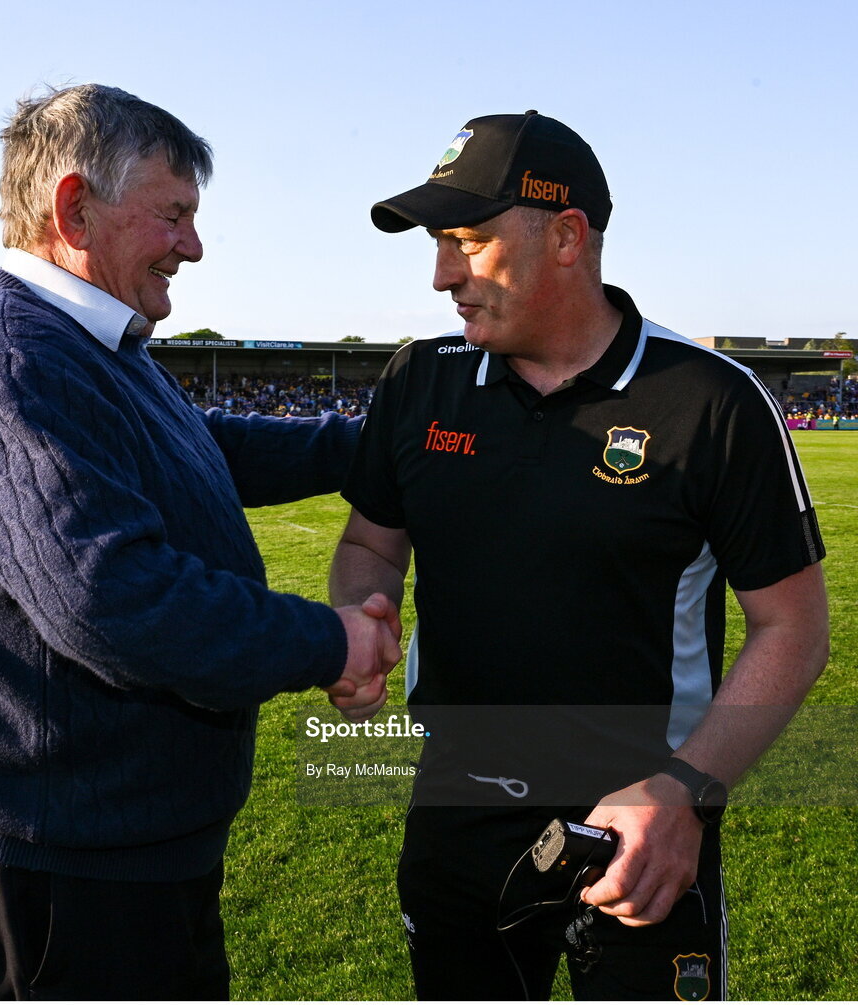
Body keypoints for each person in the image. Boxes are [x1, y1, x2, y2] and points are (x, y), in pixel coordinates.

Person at [0, 83, 400, 1001]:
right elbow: (112, 598)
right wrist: (331, 639)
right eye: (173, 215)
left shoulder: (95, 343)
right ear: (75, 207)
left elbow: (205, 446)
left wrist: (375, 442)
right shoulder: (15, 358)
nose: (194, 246)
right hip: (49, 873)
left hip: (110, 852)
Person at [329, 111, 828, 1000]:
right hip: (455, 807)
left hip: (641, 819)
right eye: (438, 244)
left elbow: (793, 628)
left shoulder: (711, 402)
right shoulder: (420, 379)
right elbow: (372, 541)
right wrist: (363, 611)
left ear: (566, 236)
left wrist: (685, 790)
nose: (443, 275)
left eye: (469, 242)